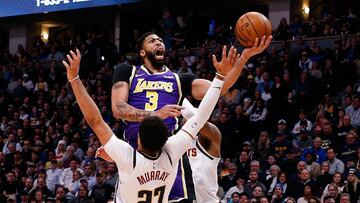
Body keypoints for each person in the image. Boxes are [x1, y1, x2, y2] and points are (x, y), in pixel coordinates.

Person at [109, 32, 272, 202]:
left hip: (168, 154)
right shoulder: (128, 71)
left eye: (160, 41)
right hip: (134, 153)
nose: (158, 43)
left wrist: (244, 57)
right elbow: (118, 108)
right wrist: (155, 115)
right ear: (142, 52)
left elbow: (218, 90)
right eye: (152, 41)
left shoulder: (179, 80)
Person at [62, 48, 233, 202]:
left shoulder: (129, 158)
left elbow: (95, 120)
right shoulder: (172, 153)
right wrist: (220, 78)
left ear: (138, 139)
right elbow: (201, 117)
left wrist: (74, 79)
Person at [181, 98, 221, 202]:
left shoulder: (212, 138)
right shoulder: (175, 141)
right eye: (184, 118)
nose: (190, 121)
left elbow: (196, 119)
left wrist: (176, 95)